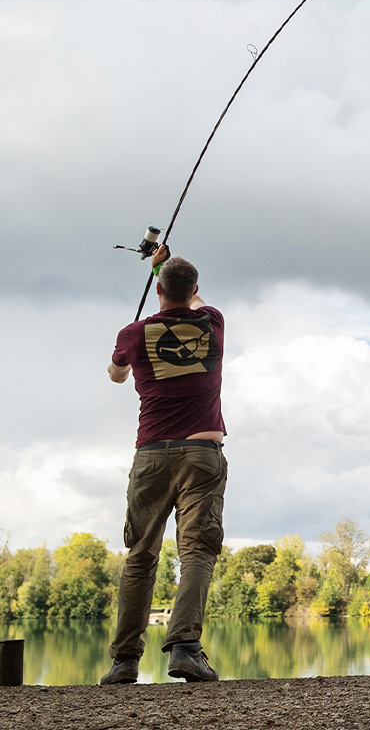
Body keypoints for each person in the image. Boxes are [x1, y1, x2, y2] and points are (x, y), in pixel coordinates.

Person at [100, 246, 228, 686]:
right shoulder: (213, 322)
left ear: (156, 290)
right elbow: (190, 298)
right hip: (202, 454)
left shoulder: (133, 334)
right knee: (196, 552)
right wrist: (164, 264)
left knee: (140, 555)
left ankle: (123, 662)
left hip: (151, 455)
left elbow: (116, 376)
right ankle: (185, 650)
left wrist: (128, 344)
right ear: (193, 290)